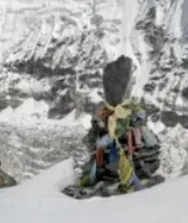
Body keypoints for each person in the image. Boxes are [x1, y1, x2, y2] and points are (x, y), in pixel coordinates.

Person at [68, 55, 163, 198]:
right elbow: (92, 141)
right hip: (111, 161)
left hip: (126, 158)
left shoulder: (130, 114)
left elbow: (148, 145)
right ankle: (119, 178)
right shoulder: (106, 116)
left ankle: (123, 179)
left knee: (120, 157)